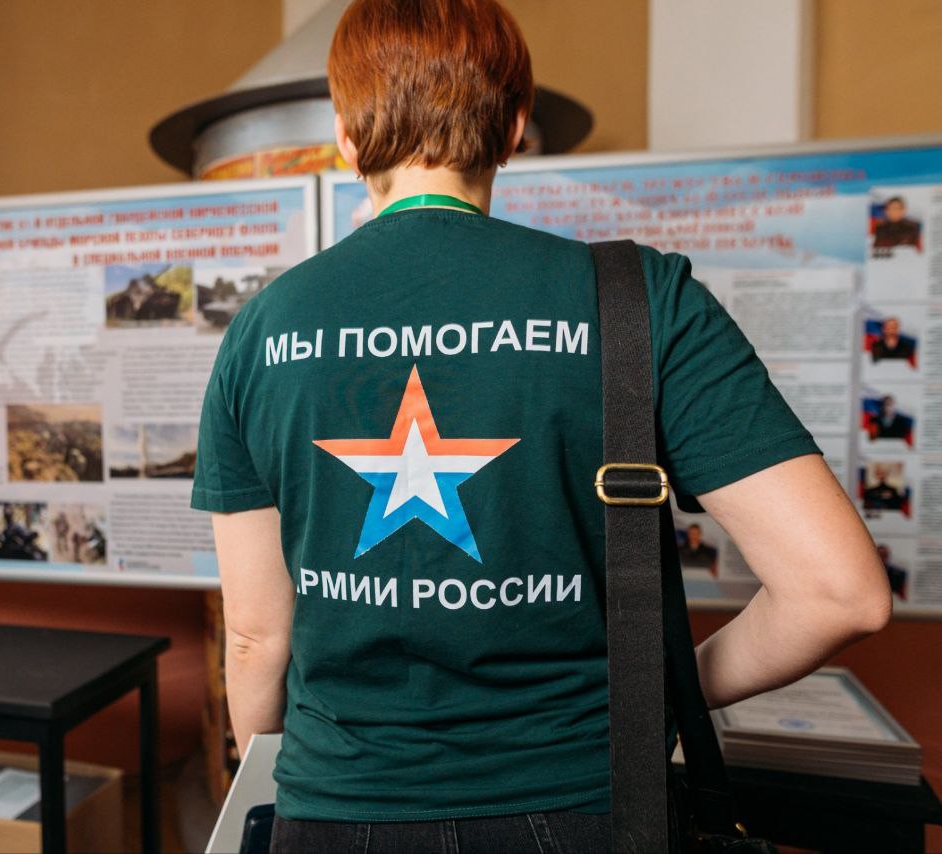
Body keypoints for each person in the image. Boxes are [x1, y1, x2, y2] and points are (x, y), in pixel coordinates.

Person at [190, 2, 891, 851]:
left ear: (345, 135)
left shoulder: (261, 329)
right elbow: (839, 594)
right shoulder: (642, 301)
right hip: (587, 808)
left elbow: (256, 638)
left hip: (334, 807)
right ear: (517, 125)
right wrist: (658, 695)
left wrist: (276, 770)